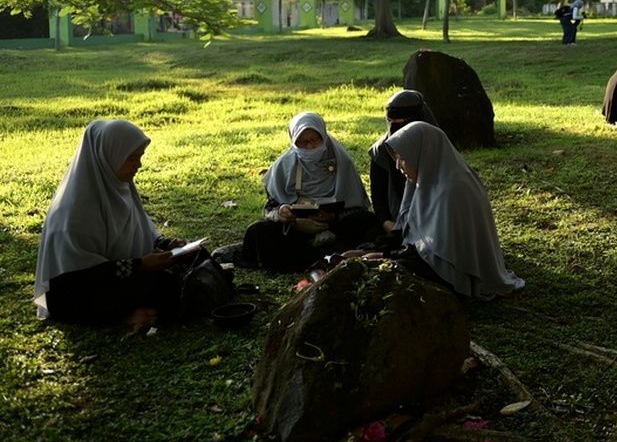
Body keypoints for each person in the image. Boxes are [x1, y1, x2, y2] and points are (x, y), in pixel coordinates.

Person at [34, 120, 200, 327]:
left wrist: (167, 245)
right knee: (168, 290)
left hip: (123, 275)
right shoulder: (73, 211)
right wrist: (140, 265)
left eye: (140, 157)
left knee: (197, 257)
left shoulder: (119, 187)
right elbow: (73, 279)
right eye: (131, 158)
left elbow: (142, 231)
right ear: (107, 158)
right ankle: (123, 316)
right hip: (80, 289)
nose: (138, 165)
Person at [381, 121, 524, 300]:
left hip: (453, 271)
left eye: (403, 158)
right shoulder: (427, 181)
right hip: (434, 260)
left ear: (421, 153)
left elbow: (441, 255)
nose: (398, 166)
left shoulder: (453, 189)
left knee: (389, 272)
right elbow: (414, 239)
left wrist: (387, 258)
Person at [240, 112, 382, 272]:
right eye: (301, 142)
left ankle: (338, 254)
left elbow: (356, 205)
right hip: (297, 230)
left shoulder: (342, 162)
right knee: (258, 231)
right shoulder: (284, 166)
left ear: (324, 136)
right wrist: (283, 213)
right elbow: (270, 207)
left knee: (368, 221)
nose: (309, 147)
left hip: (336, 227)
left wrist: (333, 217)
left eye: (315, 140)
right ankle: (319, 258)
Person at [367, 89, 439, 231]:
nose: (394, 129)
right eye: (391, 122)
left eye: (401, 123)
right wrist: (387, 223)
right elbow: (378, 195)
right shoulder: (381, 151)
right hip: (396, 223)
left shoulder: (437, 148)